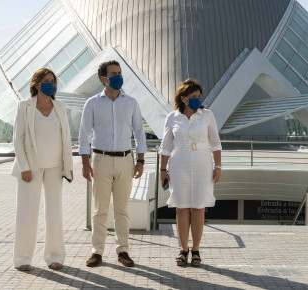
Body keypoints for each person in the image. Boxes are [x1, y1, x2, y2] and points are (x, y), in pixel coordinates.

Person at [78, 60, 147, 268]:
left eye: (119, 72)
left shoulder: (131, 102)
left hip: (126, 160)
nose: (118, 76)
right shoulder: (92, 103)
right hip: (101, 160)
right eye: (113, 73)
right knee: (100, 210)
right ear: (103, 79)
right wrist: (84, 163)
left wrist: (141, 161)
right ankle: (96, 252)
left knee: (122, 210)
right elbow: (83, 135)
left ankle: (123, 251)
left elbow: (139, 133)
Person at [10, 68, 74, 271]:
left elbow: (67, 138)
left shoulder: (60, 107)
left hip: (56, 166)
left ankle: (55, 256)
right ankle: (23, 259)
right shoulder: (24, 106)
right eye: (47, 80)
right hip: (31, 168)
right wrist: (24, 167)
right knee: (27, 213)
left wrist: (68, 166)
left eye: (53, 81)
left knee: (54, 212)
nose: (51, 84)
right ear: (37, 84)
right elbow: (17, 139)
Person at [158, 78, 222, 267]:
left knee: (198, 208)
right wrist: (163, 170)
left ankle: (196, 250)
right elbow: (166, 146)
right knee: (182, 208)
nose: (197, 99)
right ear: (184, 98)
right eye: (193, 96)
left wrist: (218, 167)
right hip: (179, 165)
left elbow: (216, 143)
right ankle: (183, 249)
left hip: (203, 165)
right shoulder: (172, 117)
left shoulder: (207, 115)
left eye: (199, 96)